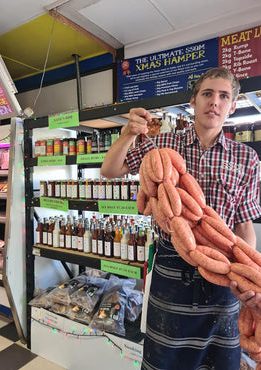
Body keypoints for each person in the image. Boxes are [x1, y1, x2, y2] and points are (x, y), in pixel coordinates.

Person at [101, 67, 261, 370]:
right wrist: (128, 134)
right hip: (172, 269)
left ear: (232, 105)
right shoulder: (163, 145)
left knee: (220, 361)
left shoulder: (247, 159)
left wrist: (245, 274)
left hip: (223, 272)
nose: (214, 101)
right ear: (193, 101)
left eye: (223, 96)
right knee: (166, 360)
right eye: (207, 94)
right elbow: (110, 170)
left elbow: (243, 227)